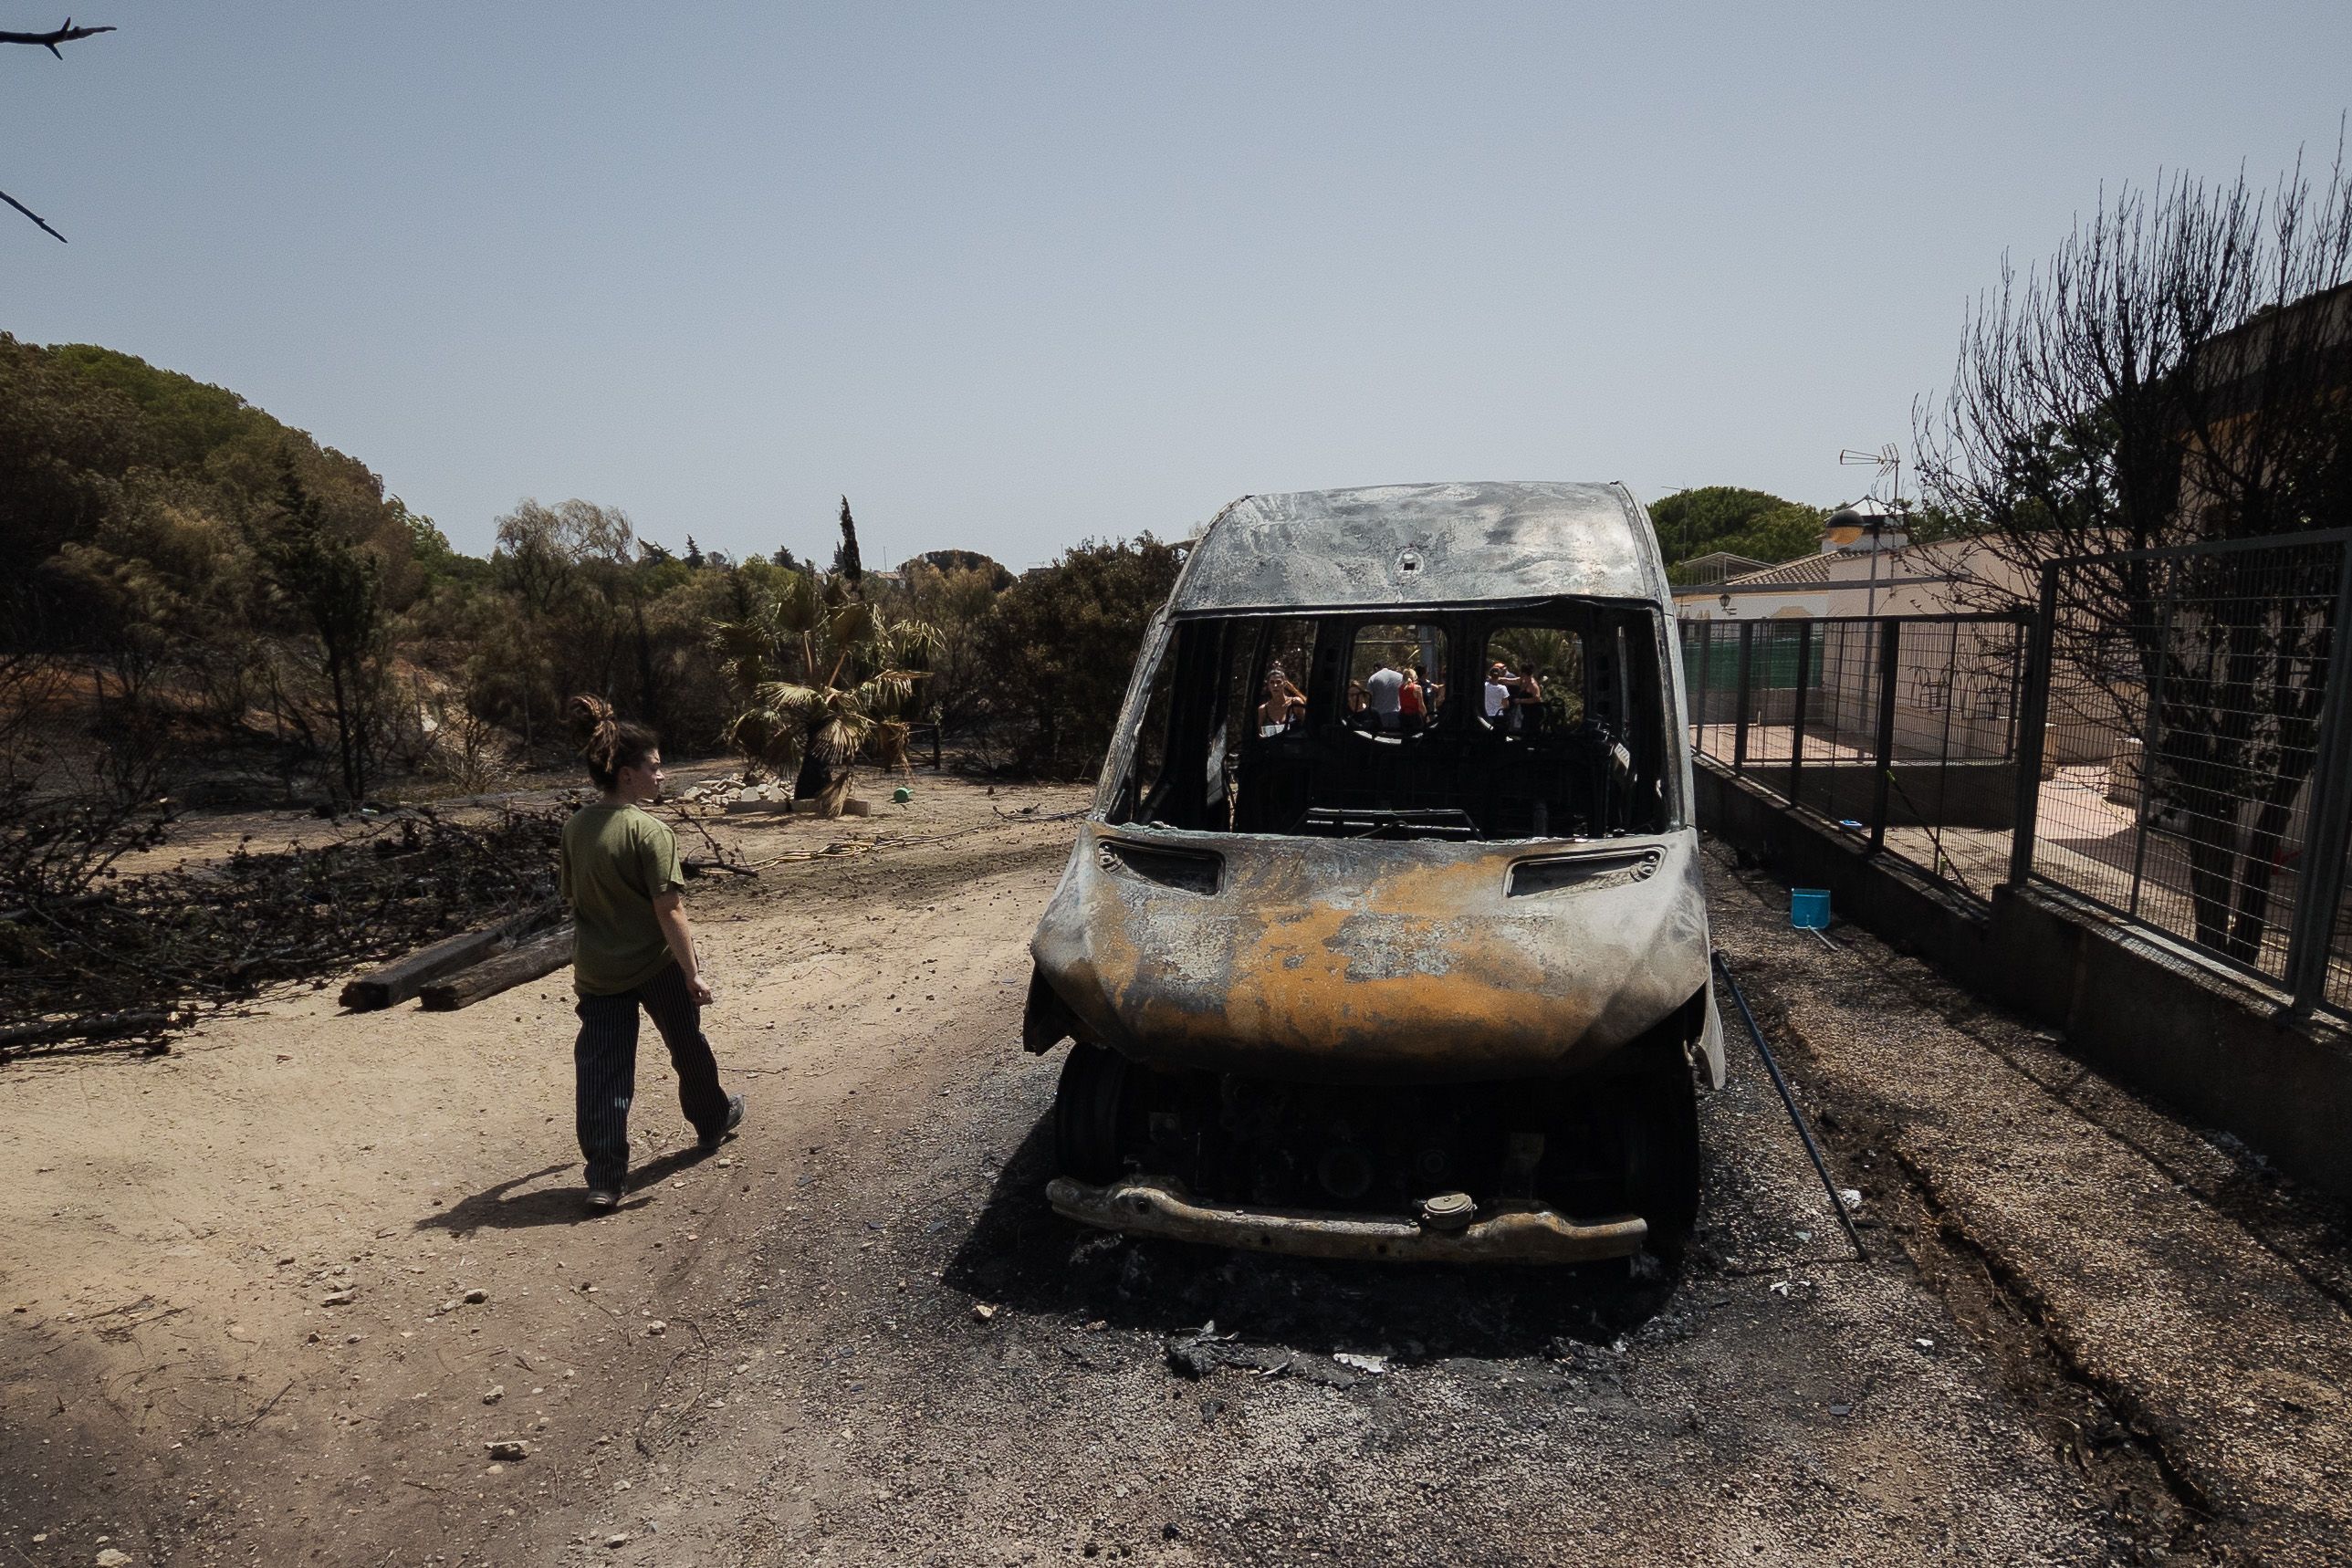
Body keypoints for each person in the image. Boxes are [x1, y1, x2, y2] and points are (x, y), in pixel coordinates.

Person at [559, 695, 744, 1212]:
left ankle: (604, 1177)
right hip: (657, 967)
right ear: (626, 774)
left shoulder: (575, 828)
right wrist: (693, 973)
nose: (663, 777)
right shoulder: (650, 831)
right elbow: (671, 912)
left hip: (597, 972)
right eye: (655, 768)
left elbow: (575, 898)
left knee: (601, 1072)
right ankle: (712, 1124)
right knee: (688, 1048)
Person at [1258, 666, 1307, 737]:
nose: (1275, 685)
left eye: (1278, 682)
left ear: (1284, 684)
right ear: (1268, 685)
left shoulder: (1295, 703)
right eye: (1272, 682)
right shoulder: (1263, 709)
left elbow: (1308, 727)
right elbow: (1258, 734)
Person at [1364, 661, 1405, 731]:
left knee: (1381, 738)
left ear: (1376, 668)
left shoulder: (1373, 678)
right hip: (1397, 714)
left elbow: (1369, 698)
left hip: (1380, 715)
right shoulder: (1400, 677)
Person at [1483, 661, 1513, 727]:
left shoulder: (1484, 686)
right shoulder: (1503, 688)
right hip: (1498, 716)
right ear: (1499, 675)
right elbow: (1506, 705)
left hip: (1485, 713)